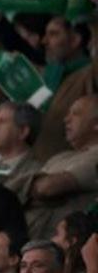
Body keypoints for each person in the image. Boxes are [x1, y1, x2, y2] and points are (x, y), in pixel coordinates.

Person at [26, 95, 98, 237]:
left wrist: (22, 189)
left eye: (76, 114)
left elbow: (47, 188)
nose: (66, 119)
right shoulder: (61, 157)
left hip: (54, 242)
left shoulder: (95, 156)